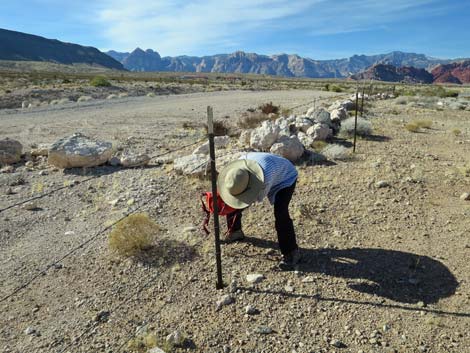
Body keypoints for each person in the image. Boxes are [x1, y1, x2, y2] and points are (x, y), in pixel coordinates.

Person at [217, 152, 300, 270]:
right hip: (268, 169)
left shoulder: (263, 181)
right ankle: (235, 232)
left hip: (286, 177)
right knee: (233, 200)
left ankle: (291, 252)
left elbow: (250, 200)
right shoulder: (236, 173)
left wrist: (235, 203)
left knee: (281, 214)